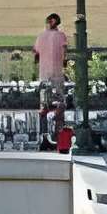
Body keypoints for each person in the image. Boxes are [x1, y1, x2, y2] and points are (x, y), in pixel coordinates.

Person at [32, 12, 71, 146]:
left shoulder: (41, 36)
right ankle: (59, 135)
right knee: (60, 103)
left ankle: (44, 138)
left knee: (44, 106)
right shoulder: (61, 36)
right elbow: (65, 53)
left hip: (44, 75)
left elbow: (36, 54)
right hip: (57, 76)